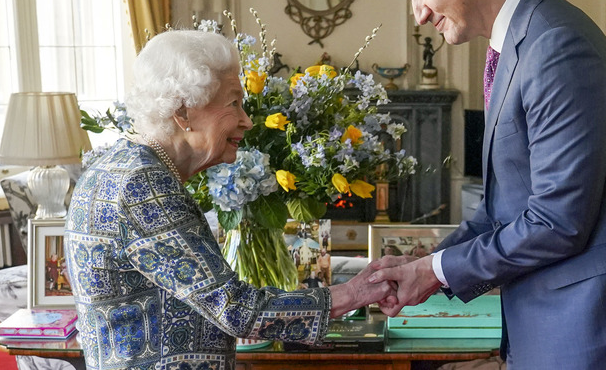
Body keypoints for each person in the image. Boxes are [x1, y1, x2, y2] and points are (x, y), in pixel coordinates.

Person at [370, 0, 606, 368]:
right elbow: (502, 209)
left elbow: (558, 222)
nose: (419, 14)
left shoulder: (557, 45)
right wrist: (427, 264)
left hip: (590, 324)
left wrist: (433, 271)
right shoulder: (523, 39)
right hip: (559, 319)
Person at [64, 30, 395, 370]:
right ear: (184, 111)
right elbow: (233, 307)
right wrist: (353, 294)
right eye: (234, 103)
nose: (247, 120)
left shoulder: (117, 167)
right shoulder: (142, 185)